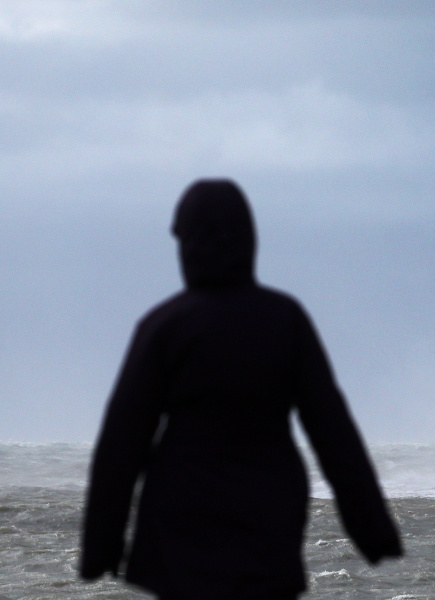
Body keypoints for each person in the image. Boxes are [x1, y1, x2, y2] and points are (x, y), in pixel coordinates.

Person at [80, 179, 402, 600]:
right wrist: (372, 532)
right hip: (266, 518)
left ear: (188, 243)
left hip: (182, 525)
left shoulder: (165, 327)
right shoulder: (284, 321)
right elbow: (332, 431)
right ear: (248, 240)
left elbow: (121, 445)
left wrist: (100, 548)